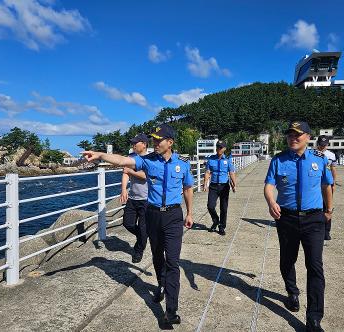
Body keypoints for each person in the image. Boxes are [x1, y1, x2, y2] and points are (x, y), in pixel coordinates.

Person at [82, 124, 194, 325]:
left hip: (174, 216)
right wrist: (100, 155)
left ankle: (171, 310)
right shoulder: (148, 161)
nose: (155, 143)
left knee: (173, 262)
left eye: (159, 140)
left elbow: (187, 188)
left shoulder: (183, 164)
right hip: (152, 215)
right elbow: (123, 161)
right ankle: (160, 285)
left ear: (170, 142)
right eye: (154, 140)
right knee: (158, 256)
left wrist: (190, 213)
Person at [264, 121, 334, 332]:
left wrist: (329, 210)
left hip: (314, 219)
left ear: (308, 137)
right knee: (287, 260)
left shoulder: (319, 160)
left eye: (297, 135)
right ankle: (292, 292)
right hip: (286, 218)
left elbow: (326, 185)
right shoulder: (279, 160)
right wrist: (271, 202)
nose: (292, 138)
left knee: (314, 266)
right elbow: (269, 184)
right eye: (289, 135)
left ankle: (314, 318)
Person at [120, 133, 149, 263]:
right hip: (132, 198)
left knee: (143, 228)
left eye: (135, 143)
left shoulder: (151, 159)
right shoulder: (130, 157)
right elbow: (125, 174)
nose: (133, 145)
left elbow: (144, 176)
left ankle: (139, 249)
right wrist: (123, 190)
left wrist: (130, 171)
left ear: (144, 144)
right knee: (128, 223)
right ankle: (143, 237)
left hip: (147, 199)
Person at [203, 140, 236, 235]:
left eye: (220, 147)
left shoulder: (228, 160)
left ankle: (222, 226)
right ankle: (216, 220)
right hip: (213, 186)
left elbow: (231, 173)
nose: (218, 149)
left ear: (224, 149)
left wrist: (234, 185)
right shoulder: (211, 159)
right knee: (210, 206)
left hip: (224, 186)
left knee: (224, 208)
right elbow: (208, 172)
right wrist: (205, 184)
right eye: (217, 147)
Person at [316, 135, 337, 240]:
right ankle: (317, 228)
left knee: (328, 207)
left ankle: (326, 231)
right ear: (317, 144)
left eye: (324, 145)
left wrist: (334, 183)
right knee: (317, 207)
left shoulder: (331, 155)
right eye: (321, 145)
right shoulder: (312, 154)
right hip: (315, 184)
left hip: (327, 183)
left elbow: (333, 169)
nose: (322, 147)